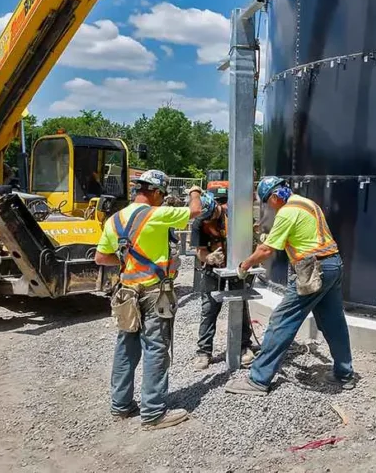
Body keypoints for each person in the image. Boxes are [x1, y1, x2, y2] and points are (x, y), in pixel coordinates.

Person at [224, 176, 356, 396]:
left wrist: (244, 265)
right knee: (333, 321)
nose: (268, 207)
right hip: (333, 264)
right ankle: (345, 374)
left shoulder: (286, 212)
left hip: (312, 270)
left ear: (275, 197)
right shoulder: (307, 203)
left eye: (267, 202)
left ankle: (258, 379)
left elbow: (266, 251)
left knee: (282, 320)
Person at [95, 169, 201, 429]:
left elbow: (101, 258)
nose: (163, 200)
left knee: (125, 347)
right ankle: (153, 413)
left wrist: (126, 262)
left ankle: (120, 406)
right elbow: (196, 211)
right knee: (155, 348)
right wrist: (194, 191)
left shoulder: (114, 220)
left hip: (126, 293)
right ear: (154, 192)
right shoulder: (157, 215)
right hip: (154, 293)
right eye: (162, 195)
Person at [189, 192, 256, 369]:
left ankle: (243, 346)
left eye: (214, 215)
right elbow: (200, 251)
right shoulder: (199, 223)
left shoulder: (234, 217)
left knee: (240, 305)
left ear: (218, 206)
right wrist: (209, 258)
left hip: (238, 267)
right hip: (214, 269)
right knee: (209, 307)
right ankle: (204, 351)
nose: (211, 219)